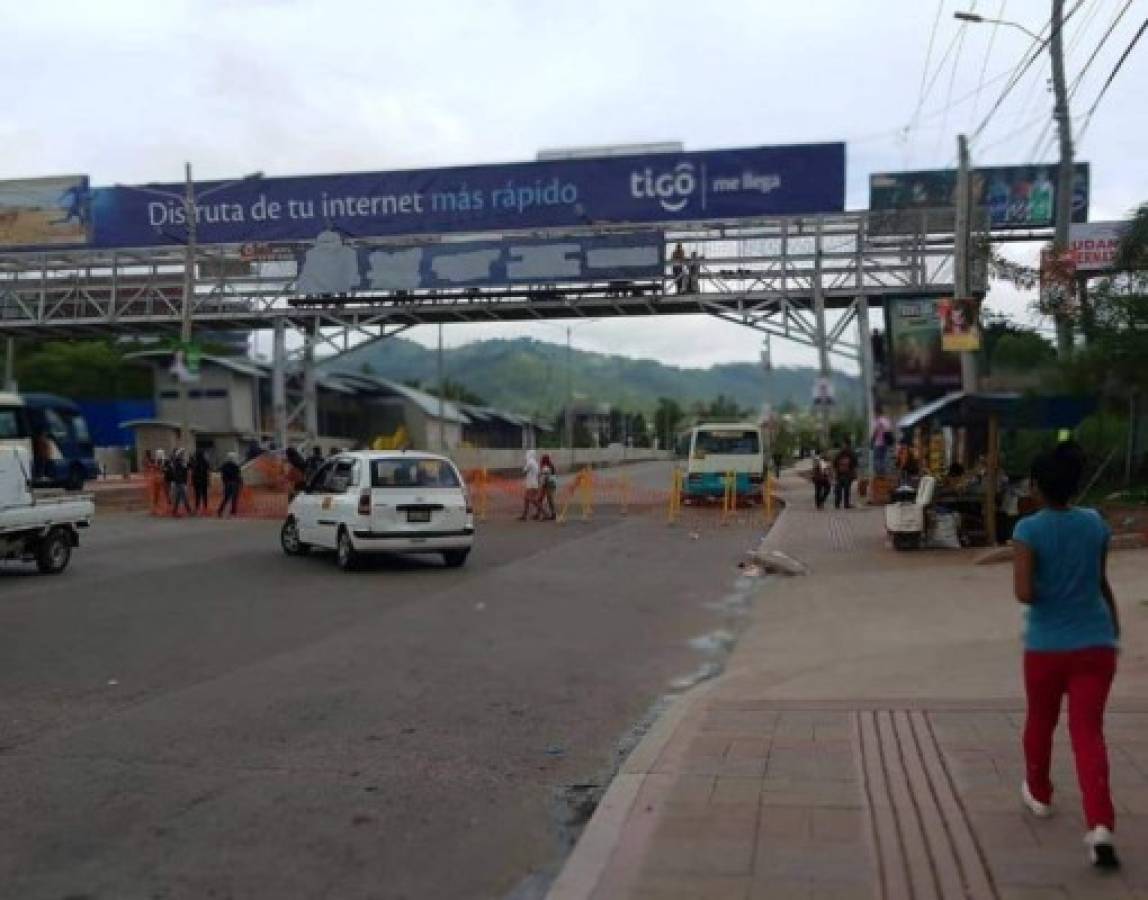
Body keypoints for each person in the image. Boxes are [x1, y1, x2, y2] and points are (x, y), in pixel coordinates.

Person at [1012, 442, 1121, 870]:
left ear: (1037, 487)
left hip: (1046, 646)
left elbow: (1023, 591)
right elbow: (1100, 580)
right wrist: (1112, 622)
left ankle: (1039, 793)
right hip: (1096, 641)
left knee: (1041, 719)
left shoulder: (1028, 531)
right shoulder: (1095, 524)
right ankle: (1100, 826)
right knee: (1088, 733)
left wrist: (1050, 587)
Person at [833, 438, 858, 509]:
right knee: (847, 489)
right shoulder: (851, 452)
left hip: (840, 473)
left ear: (844, 443)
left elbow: (834, 462)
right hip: (848, 474)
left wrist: (836, 470)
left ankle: (837, 504)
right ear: (849, 444)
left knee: (839, 489)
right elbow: (855, 463)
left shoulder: (839, 452)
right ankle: (846, 504)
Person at [218, 452, 243, 517]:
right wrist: (240, 483)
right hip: (234, 483)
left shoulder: (224, 465)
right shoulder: (235, 466)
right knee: (234, 498)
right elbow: (238, 475)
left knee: (226, 498)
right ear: (233, 458)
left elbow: (222, 475)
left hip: (227, 483)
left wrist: (224, 482)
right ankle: (233, 512)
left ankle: (220, 511)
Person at [168, 448, 192, 517]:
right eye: (181, 455)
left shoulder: (179, 462)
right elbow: (184, 468)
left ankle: (174, 511)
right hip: (179, 482)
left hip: (179, 481)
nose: (183, 456)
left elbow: (186, 468)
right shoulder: (177, 462)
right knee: (184, 497)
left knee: (178, 498)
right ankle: (189, 511)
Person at [519, 450, 542, 521]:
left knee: (532, 500)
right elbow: (538, 474)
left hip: (531, 484)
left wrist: (524, 467)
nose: (526, 456)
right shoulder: (535, 462)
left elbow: (524, 471)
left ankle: (545, 513)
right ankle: (524, 515)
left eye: (527, 454)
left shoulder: (530, 462)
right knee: (526, 499)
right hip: (534, 483)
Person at [871, 409, 894, 476]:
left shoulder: (878, 421)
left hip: (878, 443)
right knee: (883, 459)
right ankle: (883, 473)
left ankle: (879, 474)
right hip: (885, 443)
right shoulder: (886, 421)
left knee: (877, 460)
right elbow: (889, 431)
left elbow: (875, 432)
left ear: (877, 412)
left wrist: (872, 441)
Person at [190, 448, 212, 515]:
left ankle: (197, 508)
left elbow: (192, 473)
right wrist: (209, 481)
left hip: (197, 481)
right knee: (204, 495)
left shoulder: (195, 462)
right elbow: (208, 472)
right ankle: (205, 508)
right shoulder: (205, 462)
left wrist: (192, 481)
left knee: (197, 495)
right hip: (204, 480)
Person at [538, 453, 558, 520]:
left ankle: (546, 514)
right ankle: (552, 514)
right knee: (549, 500)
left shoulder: (545, 468)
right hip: (552, 484)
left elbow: (544, 478)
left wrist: (541, 485)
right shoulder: (551, 466)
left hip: (547, 484)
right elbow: (555, 475)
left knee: (543, 500)